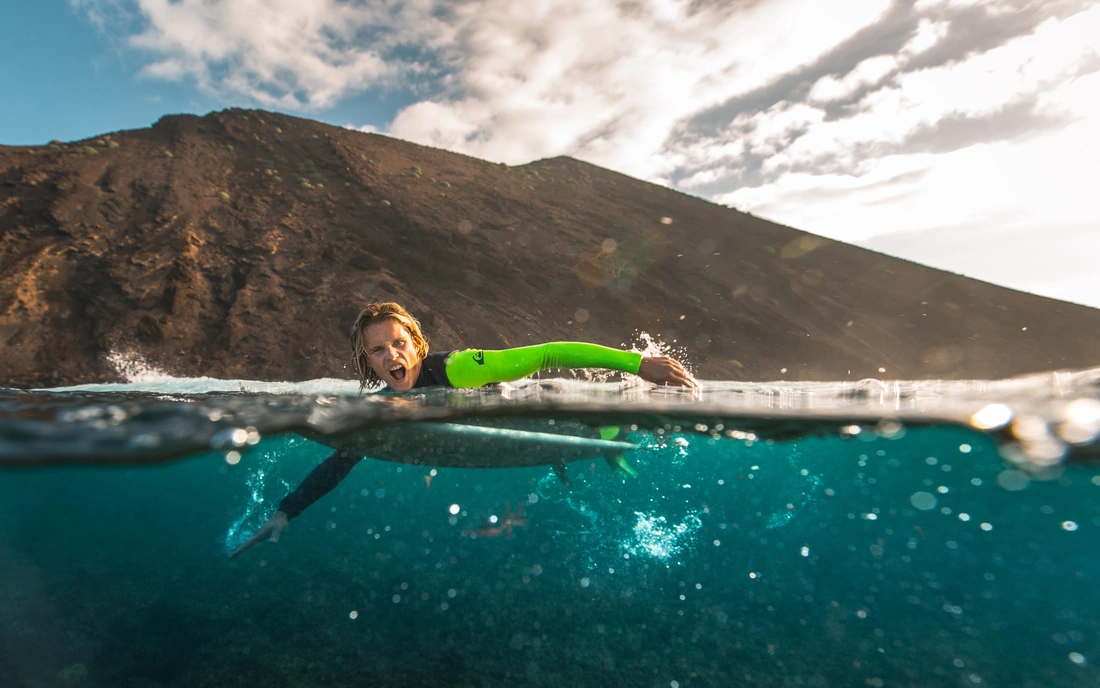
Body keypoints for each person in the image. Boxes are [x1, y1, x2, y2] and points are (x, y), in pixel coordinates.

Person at [231, 302, 696, 558]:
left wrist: (639, 363)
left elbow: (548, 353)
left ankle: (615, 440)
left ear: (416, 345)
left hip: (542, 407)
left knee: (625, 426)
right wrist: (285, 512)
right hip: (520, 435)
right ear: (367, 362)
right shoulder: (382, 407)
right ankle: (603, 448)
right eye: (378, 351)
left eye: (399, 343)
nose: (392, 356)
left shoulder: (460, 369)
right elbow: (342, 459)